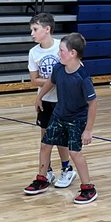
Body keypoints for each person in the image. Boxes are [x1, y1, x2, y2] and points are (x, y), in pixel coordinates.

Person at [23, 32, 98, 204]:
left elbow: (93, 104)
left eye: (61, 51)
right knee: (45, 145)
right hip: (59, 115)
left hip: (77, 119)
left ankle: (88, 188)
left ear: (72, 53)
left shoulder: (83, 78)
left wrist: (88, 130)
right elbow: (51, 81)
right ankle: (42, 179)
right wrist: (39, 96)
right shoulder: (58, 68)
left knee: (74, 152)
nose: (59, 54)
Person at [28, 13, 74, 188]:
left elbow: (71, 72)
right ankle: (46, 171)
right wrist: (53, 81)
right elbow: (34, 79)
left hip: (62, 100)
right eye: (31, 30)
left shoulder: (61, 47)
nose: (32, 33)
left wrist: (58, 80)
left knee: (61, 137)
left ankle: (66, 168)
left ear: (47, 29)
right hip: (45, 100)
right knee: (45, 136)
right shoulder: (34, 52)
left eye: (35, 29)